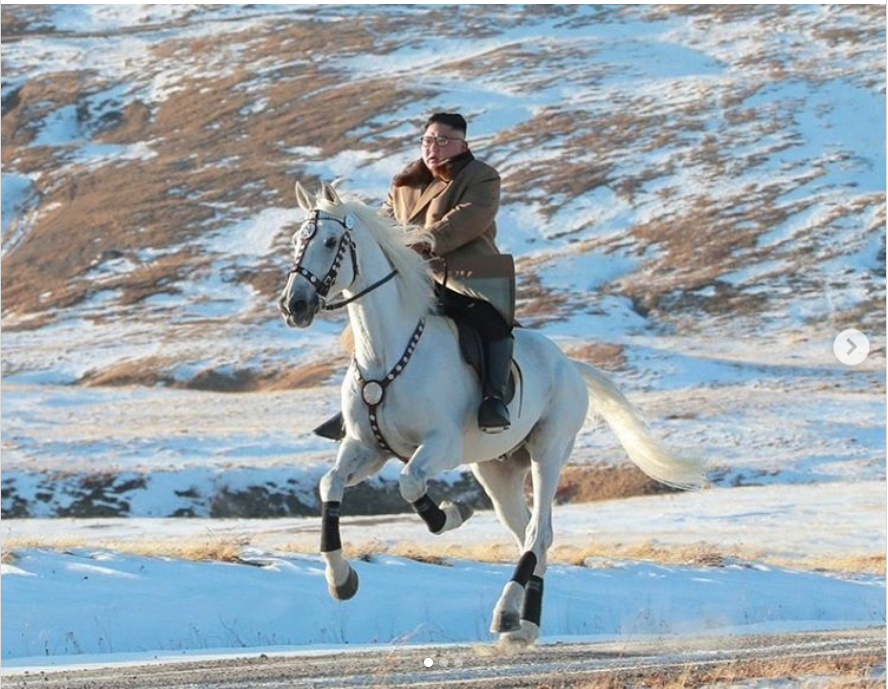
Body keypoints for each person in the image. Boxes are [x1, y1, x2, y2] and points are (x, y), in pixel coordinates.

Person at [314, 112, 515, 439]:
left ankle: (493, 399)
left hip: (465, 276)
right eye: (427, 140)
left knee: (491, 325)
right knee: (369, 328)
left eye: (442, 141)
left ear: (462, 145)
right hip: (414, 278)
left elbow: (466, 220)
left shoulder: (481, 177)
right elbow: (384, 221)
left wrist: (420, 241)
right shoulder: (404, 181)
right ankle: (361, 402)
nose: (432, 147)